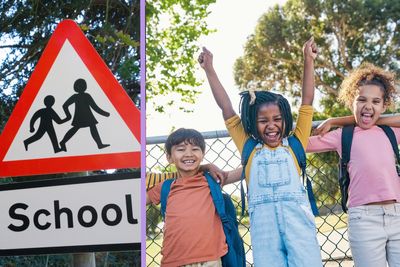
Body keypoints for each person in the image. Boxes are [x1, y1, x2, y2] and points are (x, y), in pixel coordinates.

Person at [198, 37, 322, 267]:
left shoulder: (296, 143)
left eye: (277, 119)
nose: (271, 125)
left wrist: (308, 60)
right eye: (263, 120)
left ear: (286, 119)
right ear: (252, 123)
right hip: (264, 230)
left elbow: (308, 100)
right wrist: (210, 69)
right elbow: (226, 108)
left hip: (298, 225)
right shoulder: (248, 146)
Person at [307, 63, 400, 267]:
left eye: (376, 101)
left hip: (397, 214)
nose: (368, 106)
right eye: (362, 100)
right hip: (364, 220)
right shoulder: (343, 135)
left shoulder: (390, 132)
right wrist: (341, 124)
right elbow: (301, 144)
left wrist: (337, 119)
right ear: (352, 102)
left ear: (384, 106)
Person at [146, 128, 228, 267]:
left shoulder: (212, 179)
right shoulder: (164, 186)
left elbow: (243, 171)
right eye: (181, 149)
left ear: (202, 154)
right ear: (169, 157)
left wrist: (205, 167)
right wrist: (205, 166)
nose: (188, 154)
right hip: (174, 261)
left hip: (211, 260)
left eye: (195, 149)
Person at [59, 78, 110, 151]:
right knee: (78, 128)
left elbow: (94, 107)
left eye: (83, 85)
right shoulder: (78, 96)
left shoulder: (84, 96)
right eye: (80, 85)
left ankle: (99, 144)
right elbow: (65, 105)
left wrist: (105, 113)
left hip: (87, 116)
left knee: (91, 127)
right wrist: (68, 115)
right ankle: (63, 142)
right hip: (82, 116)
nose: (82, 87)